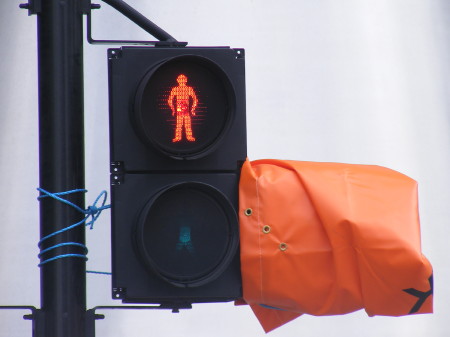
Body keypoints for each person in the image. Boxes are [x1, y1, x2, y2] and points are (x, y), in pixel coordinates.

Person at [167, 74, 198, 142]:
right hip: (179, 110)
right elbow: (169, 100)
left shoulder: (189, 89)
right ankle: (178, 137)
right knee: (179, 124)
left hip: (186, 110)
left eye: (183, 79)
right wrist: (173, 109)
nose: (182, 81)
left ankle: (189, 137)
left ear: (186, 80)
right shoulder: (175, 89)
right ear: (177, 80)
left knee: (187, 124)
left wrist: (193, 109)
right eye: (180, 79)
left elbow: (195, 99)